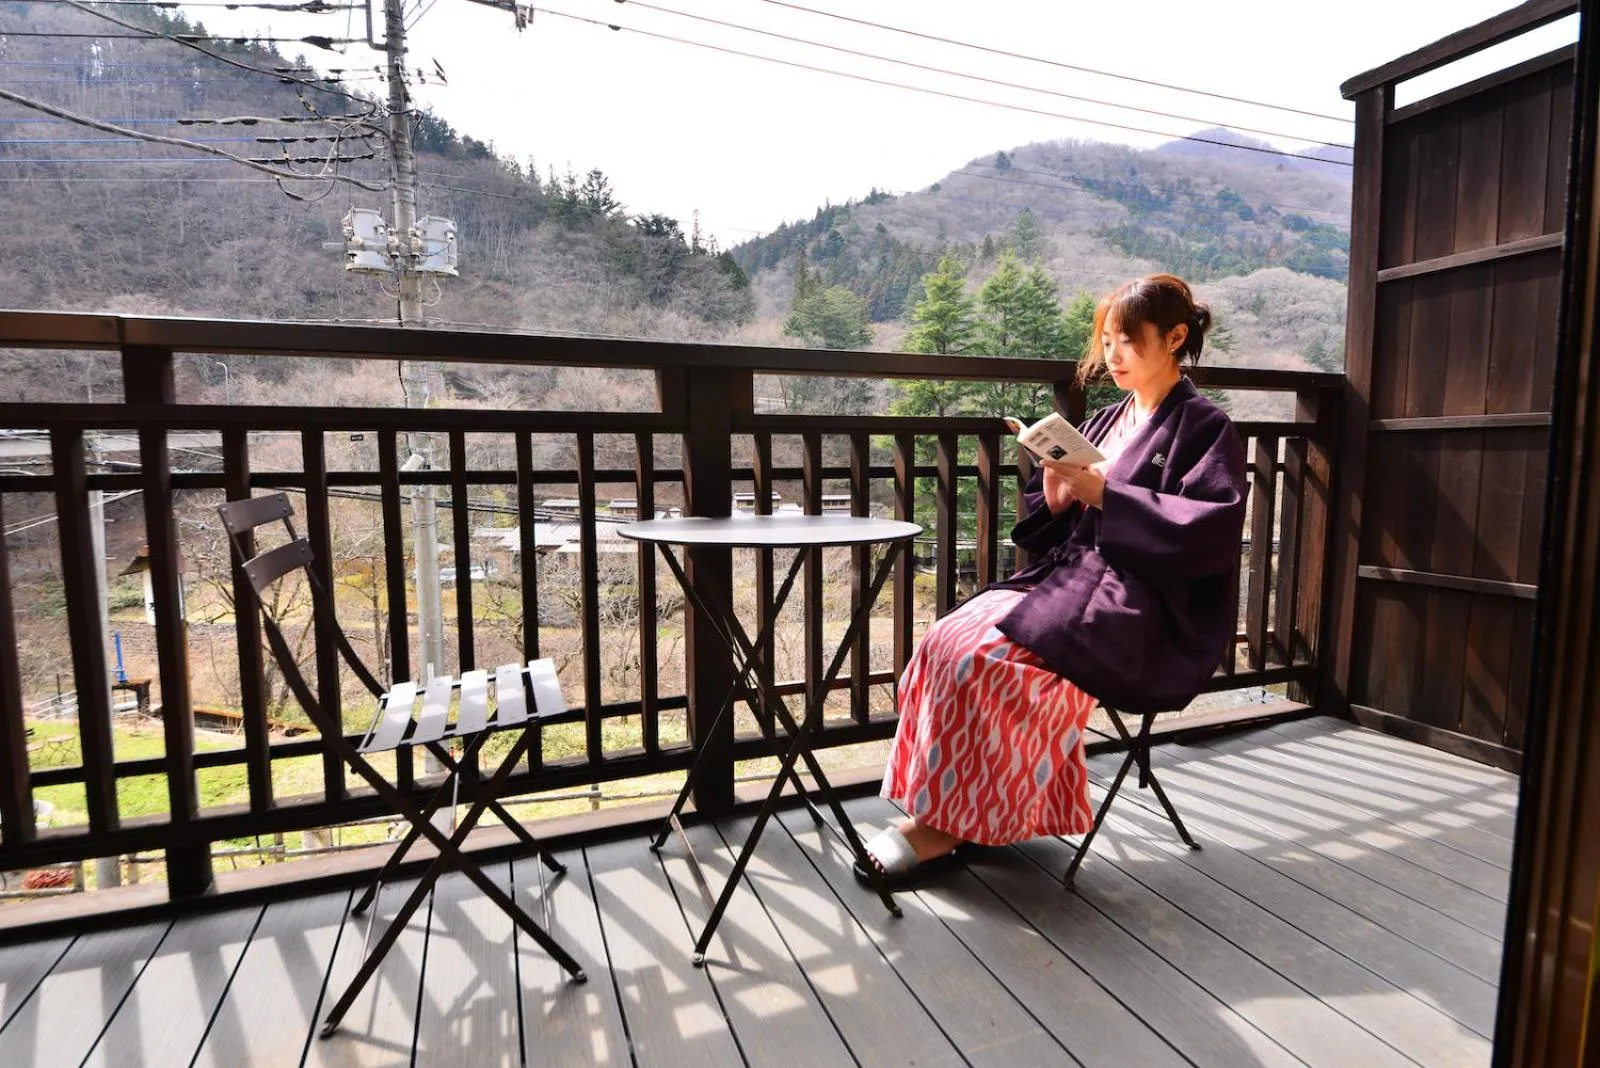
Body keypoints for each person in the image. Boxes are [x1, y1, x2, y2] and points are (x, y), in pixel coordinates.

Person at [859, 273, 1248, 887]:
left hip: (1138, 599)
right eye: (1106, 340)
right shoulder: (1109, 418)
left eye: (1127, 340)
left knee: (984, 662)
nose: (1111, 356)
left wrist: (1110, 498)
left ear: (1175, 337)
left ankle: (953, 823)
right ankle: (946, 808)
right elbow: (1058, 517)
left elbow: (1209, 533)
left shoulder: (1204, 428)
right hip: (1071, 579)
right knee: (943, 643)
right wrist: (1058, 492)